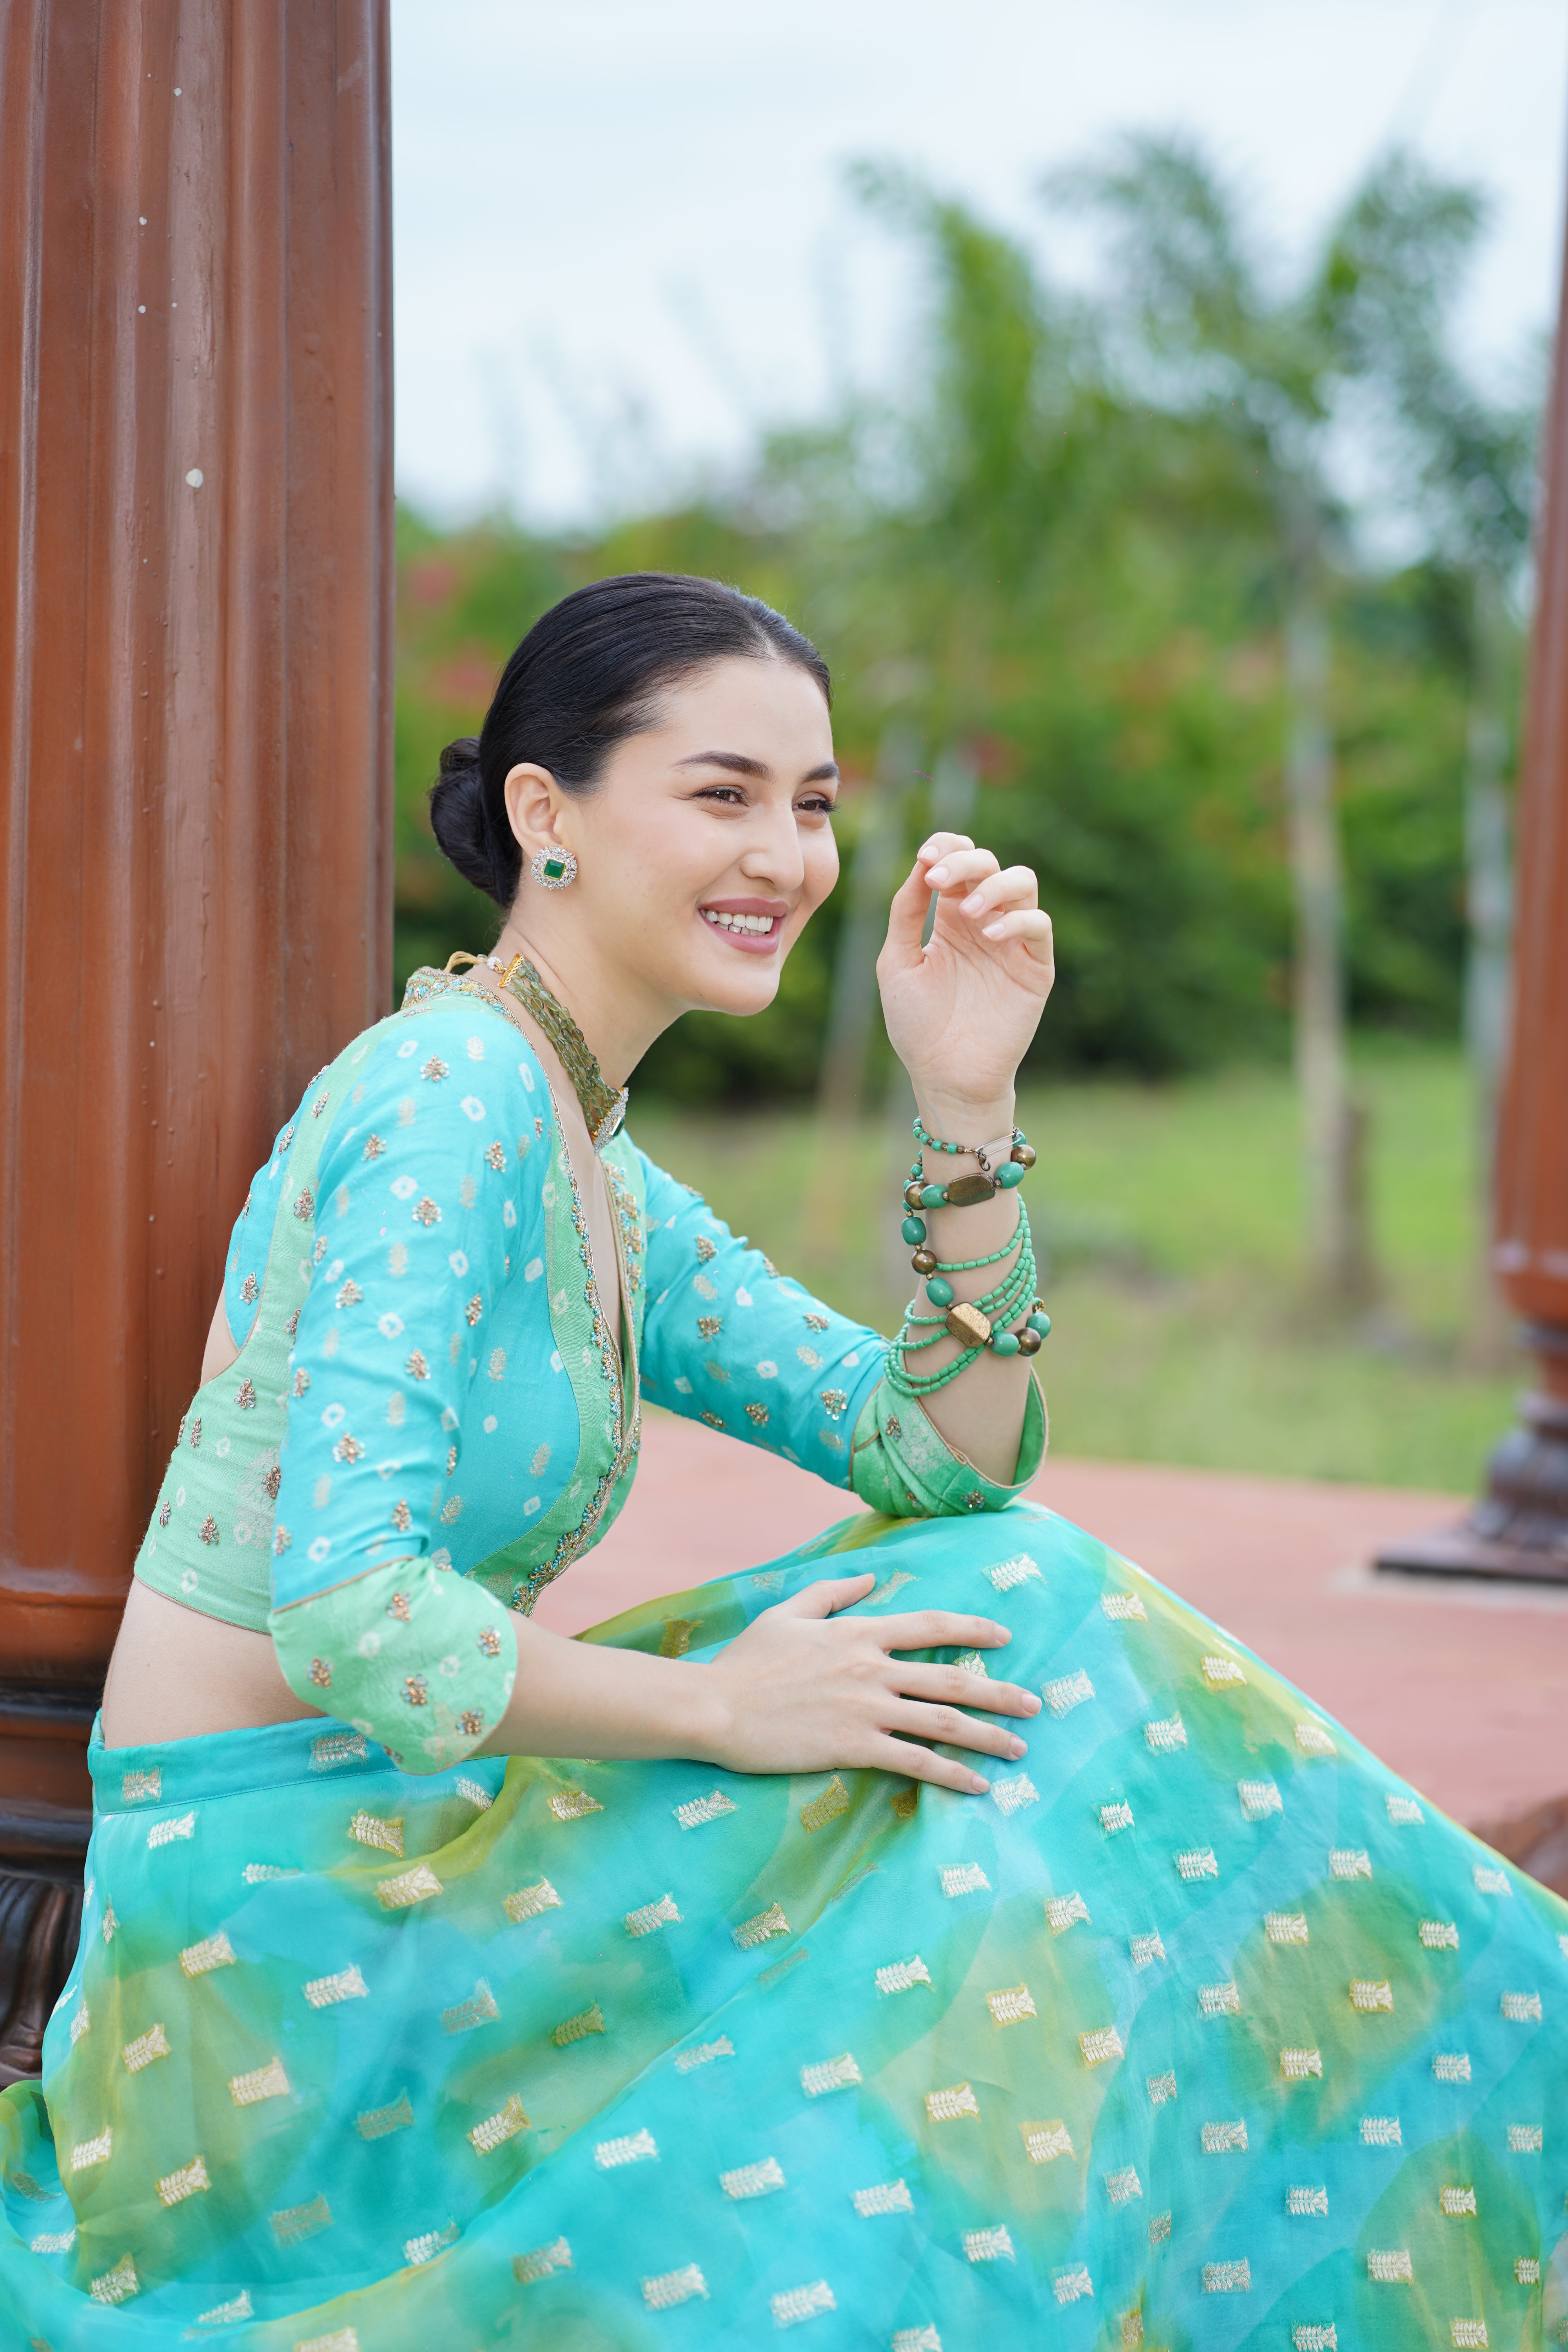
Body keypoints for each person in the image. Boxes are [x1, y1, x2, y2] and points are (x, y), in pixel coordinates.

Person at [1, 574, 1562, 2351]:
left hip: (421, 1851)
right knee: (1004, 1703)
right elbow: (354, 1612)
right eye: (723, 793)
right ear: (546, 814)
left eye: (812, 807)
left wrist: (968, 1111)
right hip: (279, 1935)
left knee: (1003, 1598)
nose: (787, 856)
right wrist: (731, 1709)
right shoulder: (448, 1092)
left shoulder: (591, 1159)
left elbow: (936, 1457)